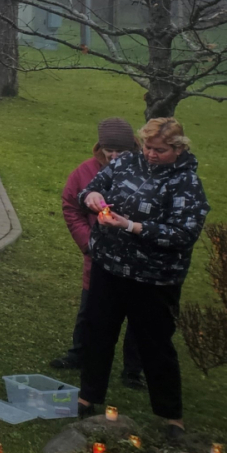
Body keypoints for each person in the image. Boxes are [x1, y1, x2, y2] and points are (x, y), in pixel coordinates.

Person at [76, 117, 210, 443]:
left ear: (178, 149)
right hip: (110, 267)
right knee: (98, 331)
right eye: (147, 147)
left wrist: (131, 226)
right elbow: (91, 188)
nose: (151, 154)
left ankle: (170, 416)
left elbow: (183, 233)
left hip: (154, 278)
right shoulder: (125, 163)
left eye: (160, 150)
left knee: (156, 345)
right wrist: (92, 197)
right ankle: (87, 397)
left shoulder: (185, 183)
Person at [51, 118, 145, 383]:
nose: (114, 156)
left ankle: (133, 370)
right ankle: (80, 353)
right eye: (109, 151)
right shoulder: (85, 172)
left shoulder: (146, 170)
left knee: (138, 313)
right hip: (99, 254)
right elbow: (71, 206)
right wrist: (87, 242)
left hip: (138, 256)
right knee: (90, 307)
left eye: (121, 152)